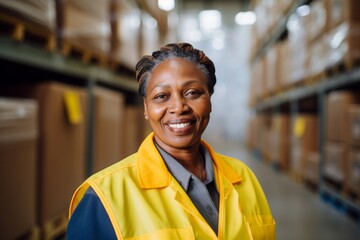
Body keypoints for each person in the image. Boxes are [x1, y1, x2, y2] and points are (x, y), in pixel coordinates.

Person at [67, 43, 276, 239]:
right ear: (146, 109)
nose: (178, 107)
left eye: (192, 93)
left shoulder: (244, 178)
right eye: (161, 96)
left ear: (209, 101)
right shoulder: (103, 197)